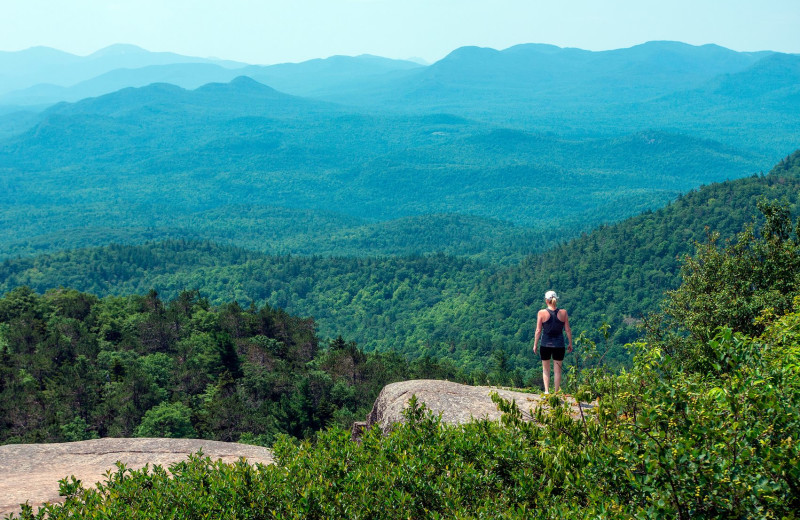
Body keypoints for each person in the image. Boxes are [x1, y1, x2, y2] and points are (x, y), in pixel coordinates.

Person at [532, 290, 573, 393]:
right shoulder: (563, 313)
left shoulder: (541, 313)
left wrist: (535, 344)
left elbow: (538, 330)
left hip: (545, 344)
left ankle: (546, 391)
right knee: (557, 370)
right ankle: (556, 392)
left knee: (546, 369)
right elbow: (567, 329)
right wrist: (570, 343)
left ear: (547, 301)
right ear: (556, 300)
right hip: (559, 345)